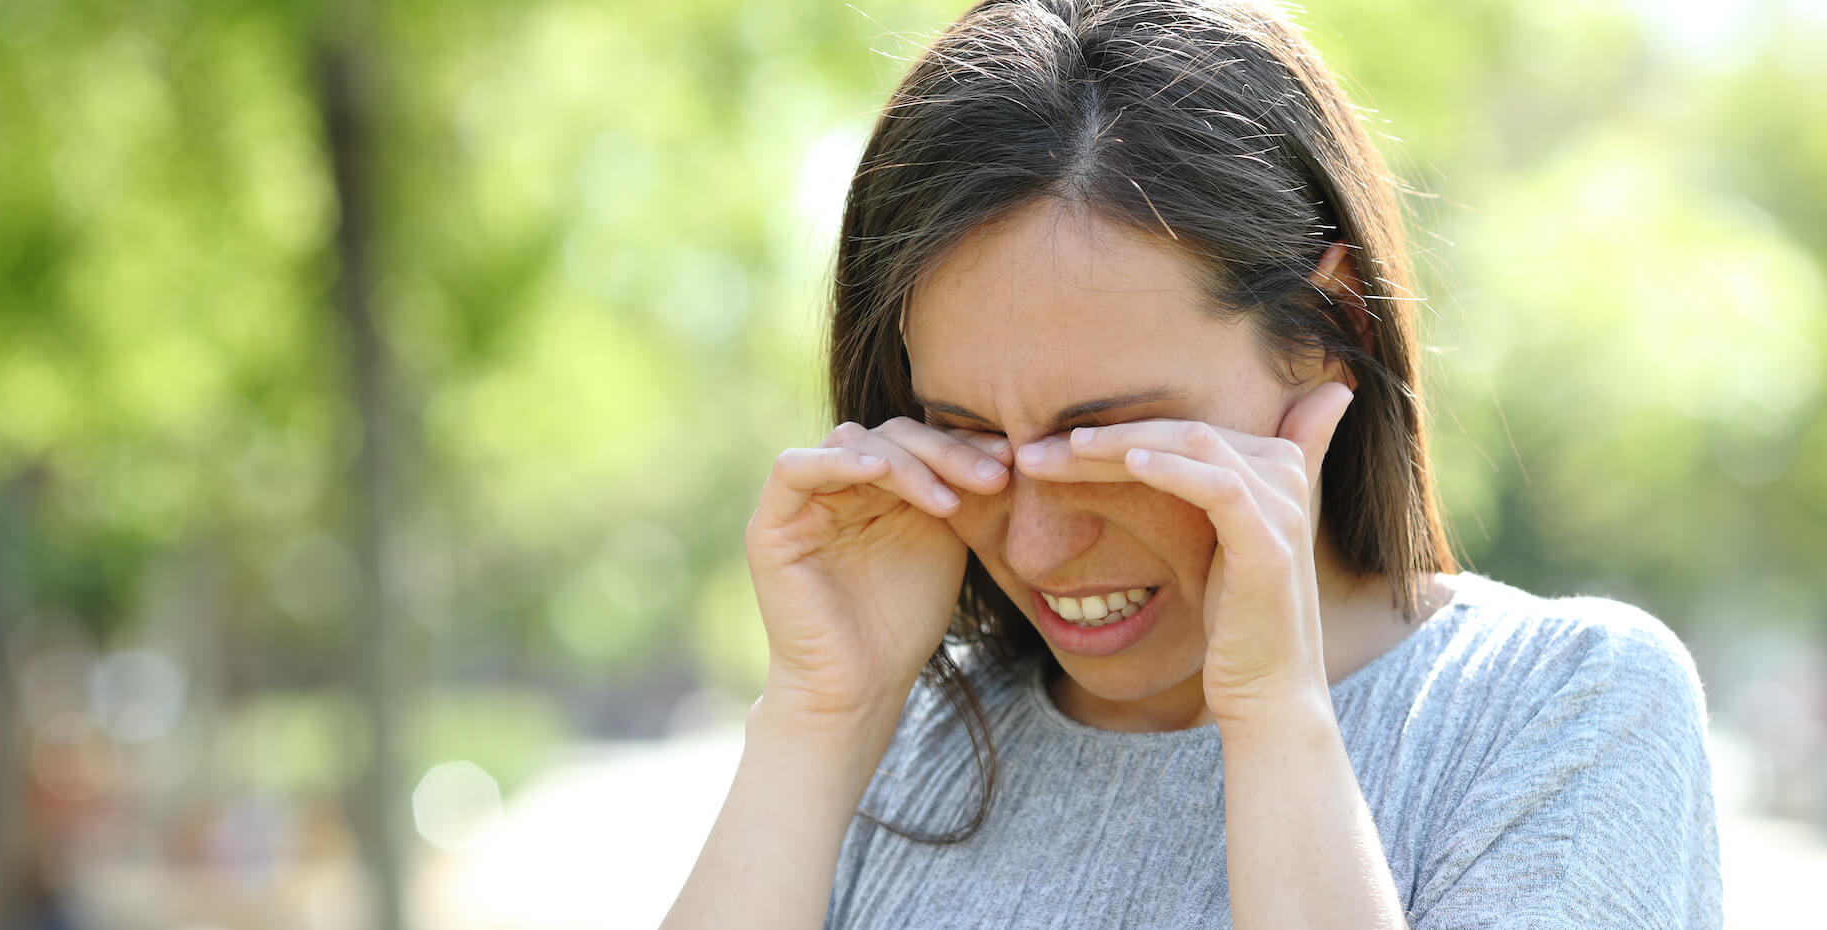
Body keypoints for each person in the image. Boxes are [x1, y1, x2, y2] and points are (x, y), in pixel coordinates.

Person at [662, 0, 1723, 926]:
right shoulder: (901, 744)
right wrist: (821, 720)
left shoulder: (1564, 711)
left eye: (1109, 441)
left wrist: (1274, 719)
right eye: (971, 433)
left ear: (1324, 324)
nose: (1038, 539)